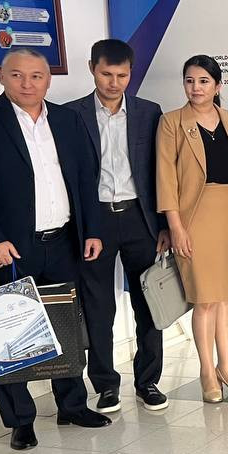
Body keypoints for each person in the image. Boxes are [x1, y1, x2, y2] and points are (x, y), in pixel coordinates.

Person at [0, 48, 111, 450]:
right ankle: (21, 420)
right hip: (9, 249)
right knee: (10, 332)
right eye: (17, 75)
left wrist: (92, 230)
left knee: (65, 326)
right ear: (1, 77)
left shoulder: (67, 119)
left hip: (63, 241)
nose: (27, 83)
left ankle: (72, 405)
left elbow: (86, 179)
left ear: (48, 80)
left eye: (36, 76)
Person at [67, 39, 169, 414]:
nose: (114, 83)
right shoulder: (70, 114)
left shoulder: (149, 112)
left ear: (131, 73)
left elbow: (161, 172)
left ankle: (149, 381)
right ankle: (106, 385)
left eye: (122, 75)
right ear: (91, 69)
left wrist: (164, 224)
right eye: (106, 74)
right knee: (98, 306)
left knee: (149, 302)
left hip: (140, 217)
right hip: (95, 220)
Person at [156, 55, 228, 403]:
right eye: (189, 80)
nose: (195, 88)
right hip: (193, 217)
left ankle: (227, 368)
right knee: (204, 299)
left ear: (217, 85)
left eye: (203, 81)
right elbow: (166, 179)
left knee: (224, 297)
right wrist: (175, 226)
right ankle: (206, 371)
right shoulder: (171, 122)